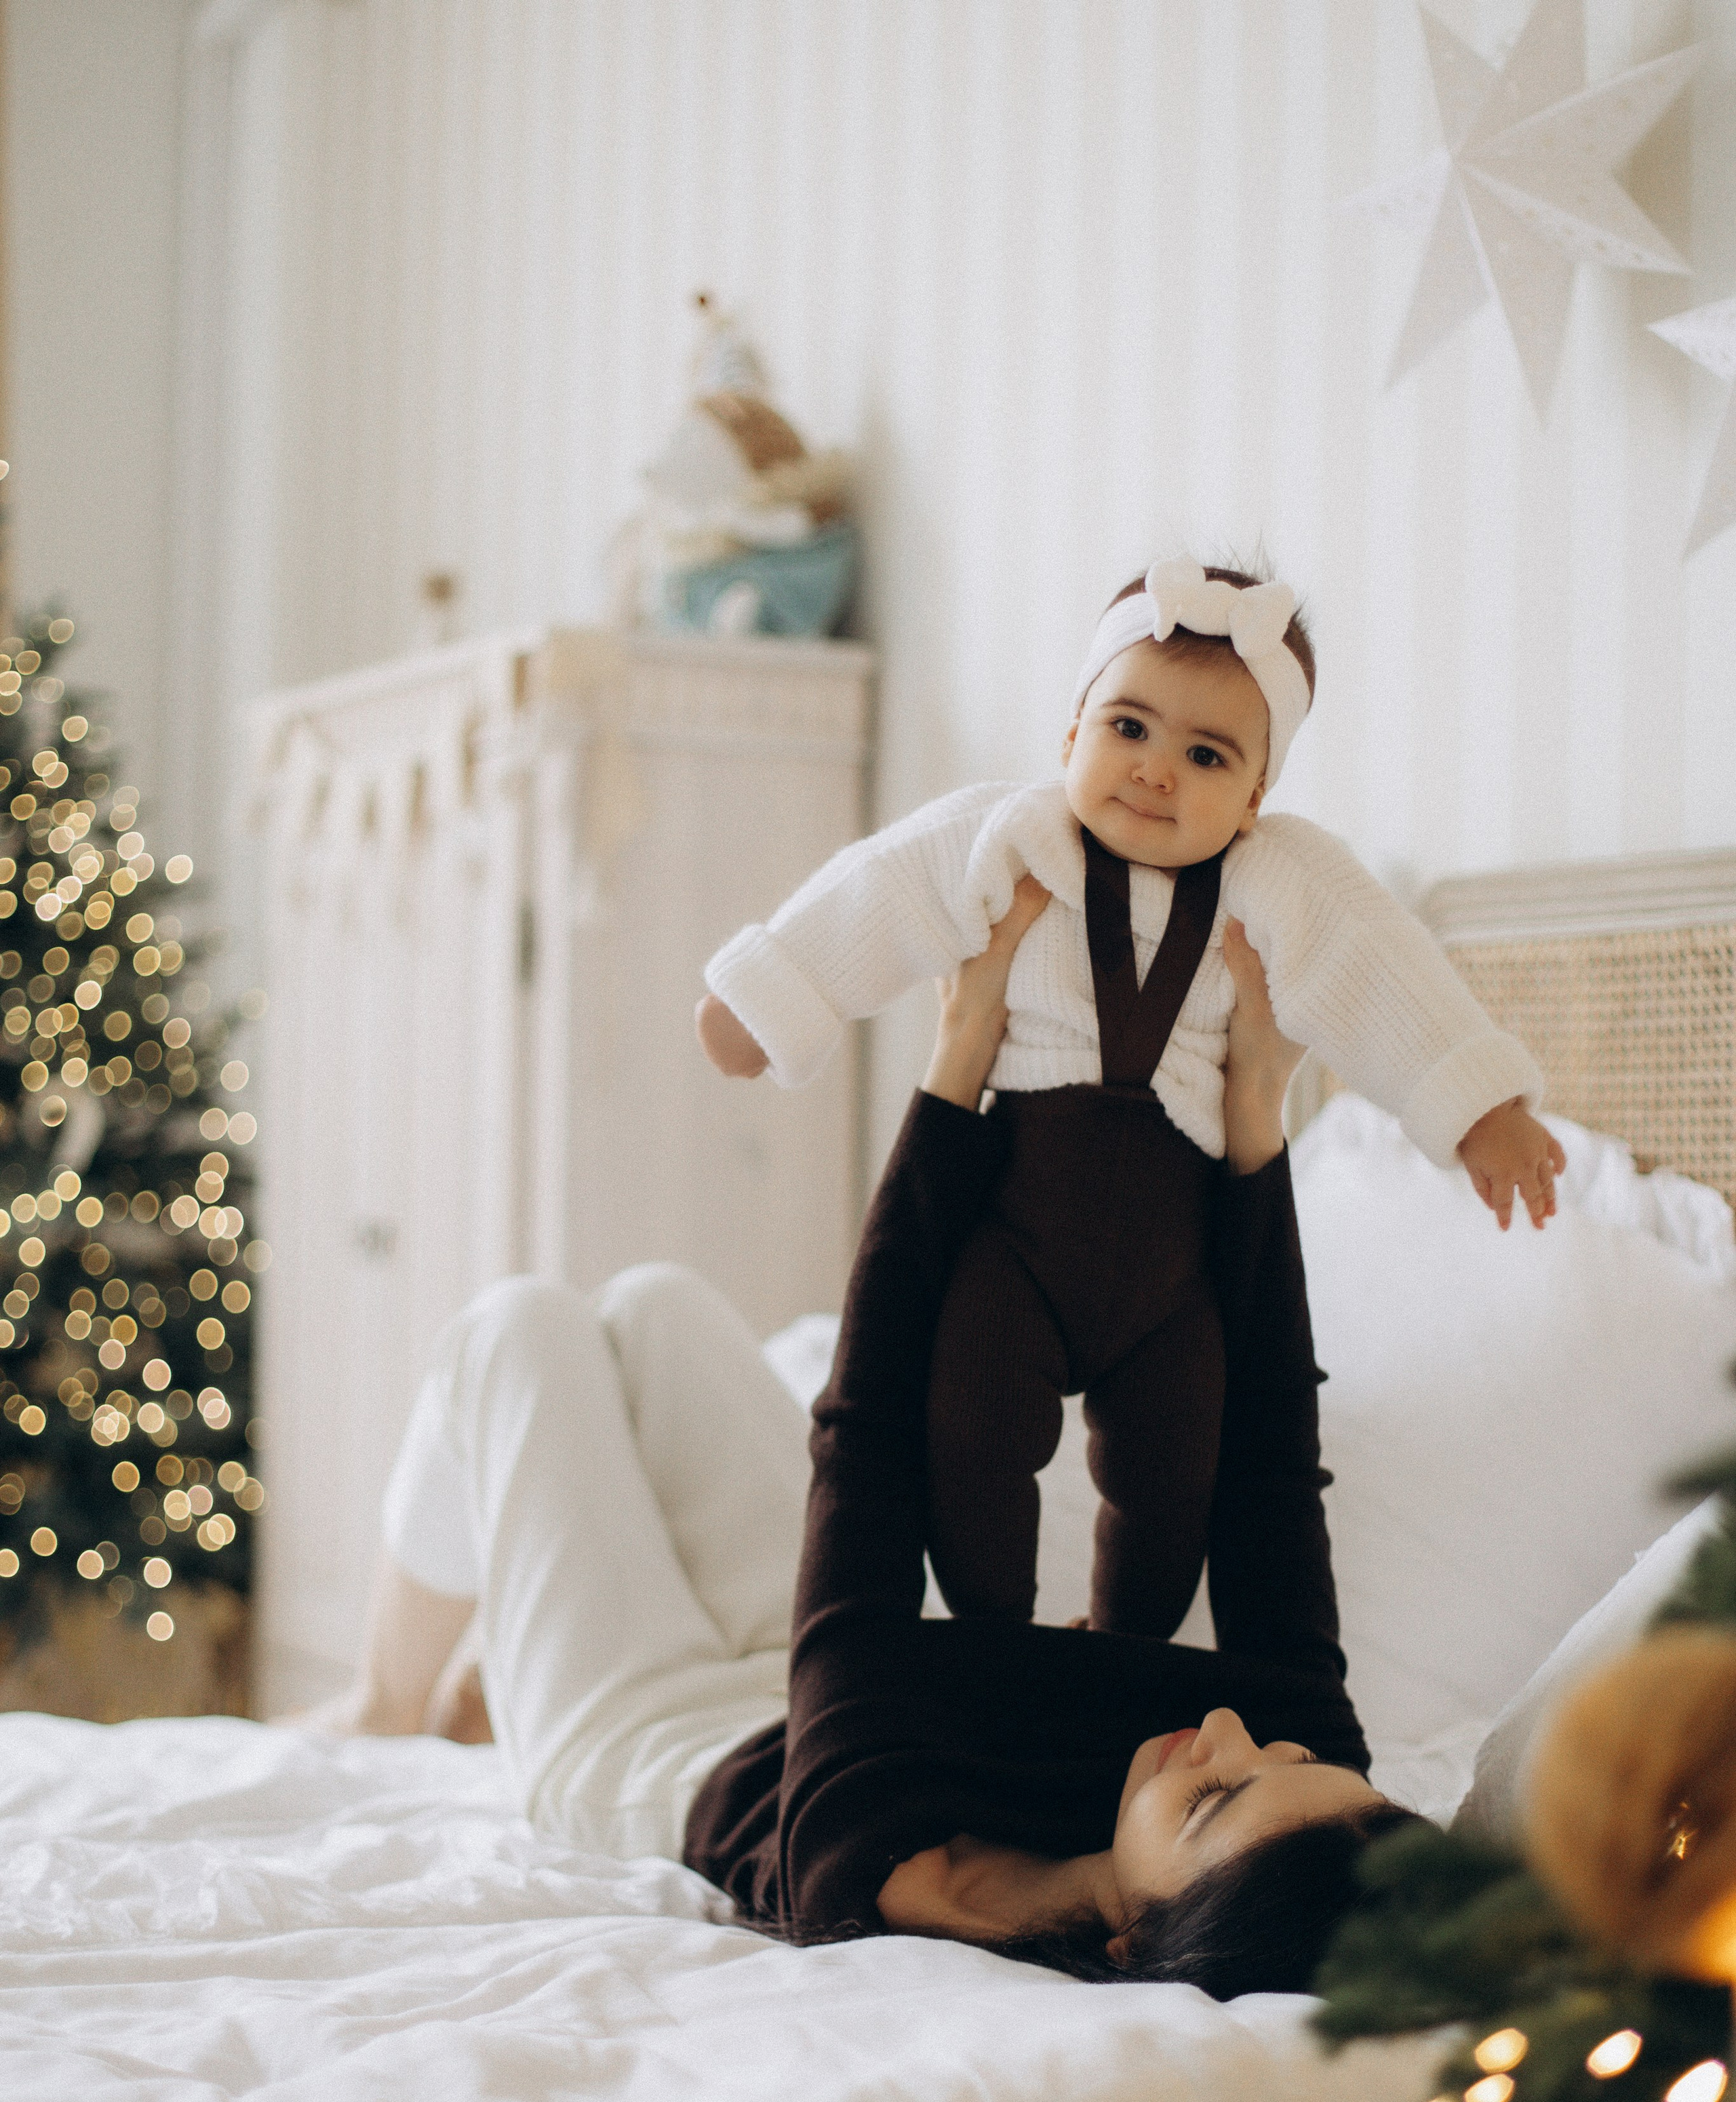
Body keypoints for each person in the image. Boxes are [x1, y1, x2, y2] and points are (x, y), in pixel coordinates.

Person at [310, 889, 1422, 1998]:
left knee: (518, 1332)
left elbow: (871, 1443)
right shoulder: (1316, 1816)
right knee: (656, 1309)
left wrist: (958, 1072)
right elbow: (1271, 1458)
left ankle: (386, 1705)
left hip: (660, 1754)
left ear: (1133, 1943)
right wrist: (1255, 1115)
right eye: (1285, 1759)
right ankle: (495, 1671)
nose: (1232, 1729)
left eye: (1214, 1795)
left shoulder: (897, 1882)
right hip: (803, 1674)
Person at [696, 557, 1566, 1638]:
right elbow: (886, 890)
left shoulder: (1275, 880)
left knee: (1177, 1476)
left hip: (1173, 1274)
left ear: (1255, 799)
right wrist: (775, 994)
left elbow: (1377, 965)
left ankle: (1120, 1655)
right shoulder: (1017, 838)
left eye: (1206, 754)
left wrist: (1478, 1108)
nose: (1157, 771)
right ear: (1070, 738)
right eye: (1129, 729)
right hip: (1012, 1236)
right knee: (966, 1430)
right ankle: (996, 1639)